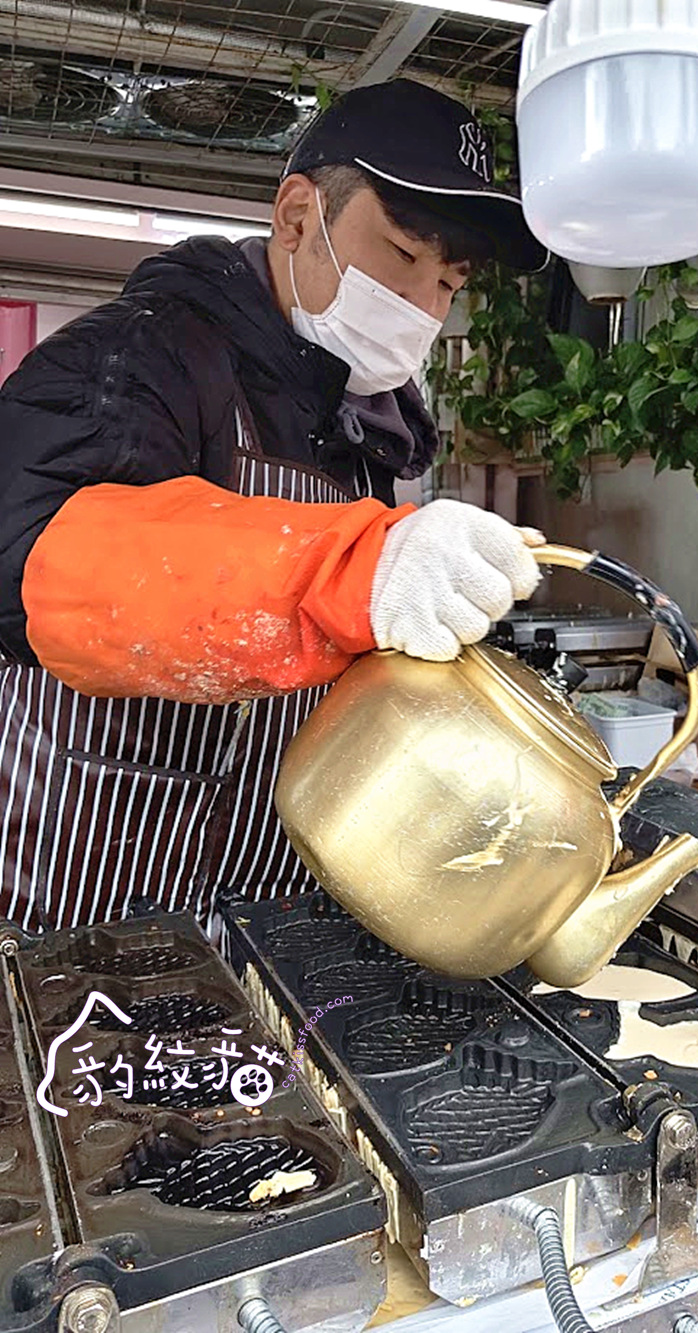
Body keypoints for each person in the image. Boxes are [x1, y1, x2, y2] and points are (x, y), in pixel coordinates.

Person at [0, 79, 549, 934]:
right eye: (405, 255)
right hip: (78, 896)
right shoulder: (143, 353)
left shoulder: (373, 428)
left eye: (449, 282)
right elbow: (33, 553)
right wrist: (349, 571)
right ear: (297, 217)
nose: (424, 307)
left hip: (261, 898)